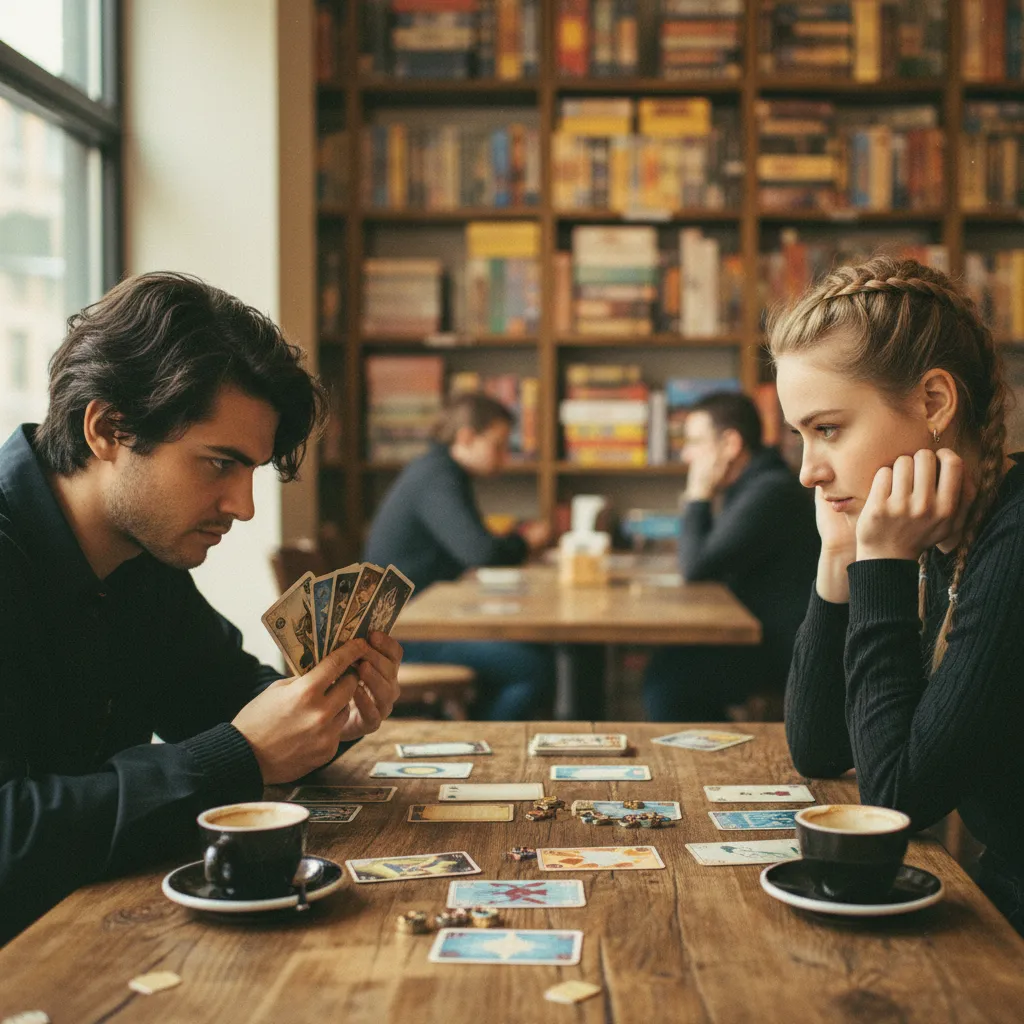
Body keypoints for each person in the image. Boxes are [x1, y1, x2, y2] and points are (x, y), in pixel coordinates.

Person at [0, 272, 403, 944]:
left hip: (94, 931)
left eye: (252, 471)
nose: (243, 507)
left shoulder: (140, 560)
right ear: (107, 428)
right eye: (219, 463)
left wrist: (329, 710)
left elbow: (225, 700)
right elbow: (11, 833)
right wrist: (245, 755)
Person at [770, 255, 1024, 936]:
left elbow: (896, 800)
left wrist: (881, 561)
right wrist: (838, 556)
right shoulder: (952, 530)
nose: (806, 472)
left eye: (827, 428)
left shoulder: (1015, 540)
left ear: (934, 403)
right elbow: (820, 748)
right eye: (801, 436)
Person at [364, 392, 554, 720]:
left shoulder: (439, 471)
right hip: (401, 632)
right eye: (498, 445)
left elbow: (474, 549)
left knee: (536, 654)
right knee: (534, 668)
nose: (504, 457)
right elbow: (480, 552)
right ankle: (483, 743)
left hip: (418, 620)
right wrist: (526, 542)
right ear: (466, 437)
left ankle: (477, 733)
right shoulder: (438, 476)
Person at [644, 392, 819, 721]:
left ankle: (704, 767)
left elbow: (695, 567)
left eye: (695, 441)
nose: (686, 454)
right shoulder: (752, 484)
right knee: (667, 666)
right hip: (756, 629)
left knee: (667, 682)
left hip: (782, 646)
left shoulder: (770, 490)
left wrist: (697, 494)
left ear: (730, 444)